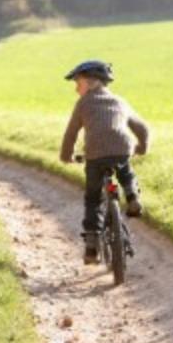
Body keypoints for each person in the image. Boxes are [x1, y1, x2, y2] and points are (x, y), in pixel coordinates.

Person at [59, 60, 150, 264]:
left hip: (94, 155)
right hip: (121, 149)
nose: (76, 89)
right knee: (125, 170)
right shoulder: (120, 102)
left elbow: (71, 133)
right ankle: (131, 195)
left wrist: (66, 156)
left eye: (78, 84)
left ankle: (91, 248)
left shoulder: (83, 104)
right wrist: (141, 147)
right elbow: (143, 129)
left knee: (93, 199)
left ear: (91, 83)